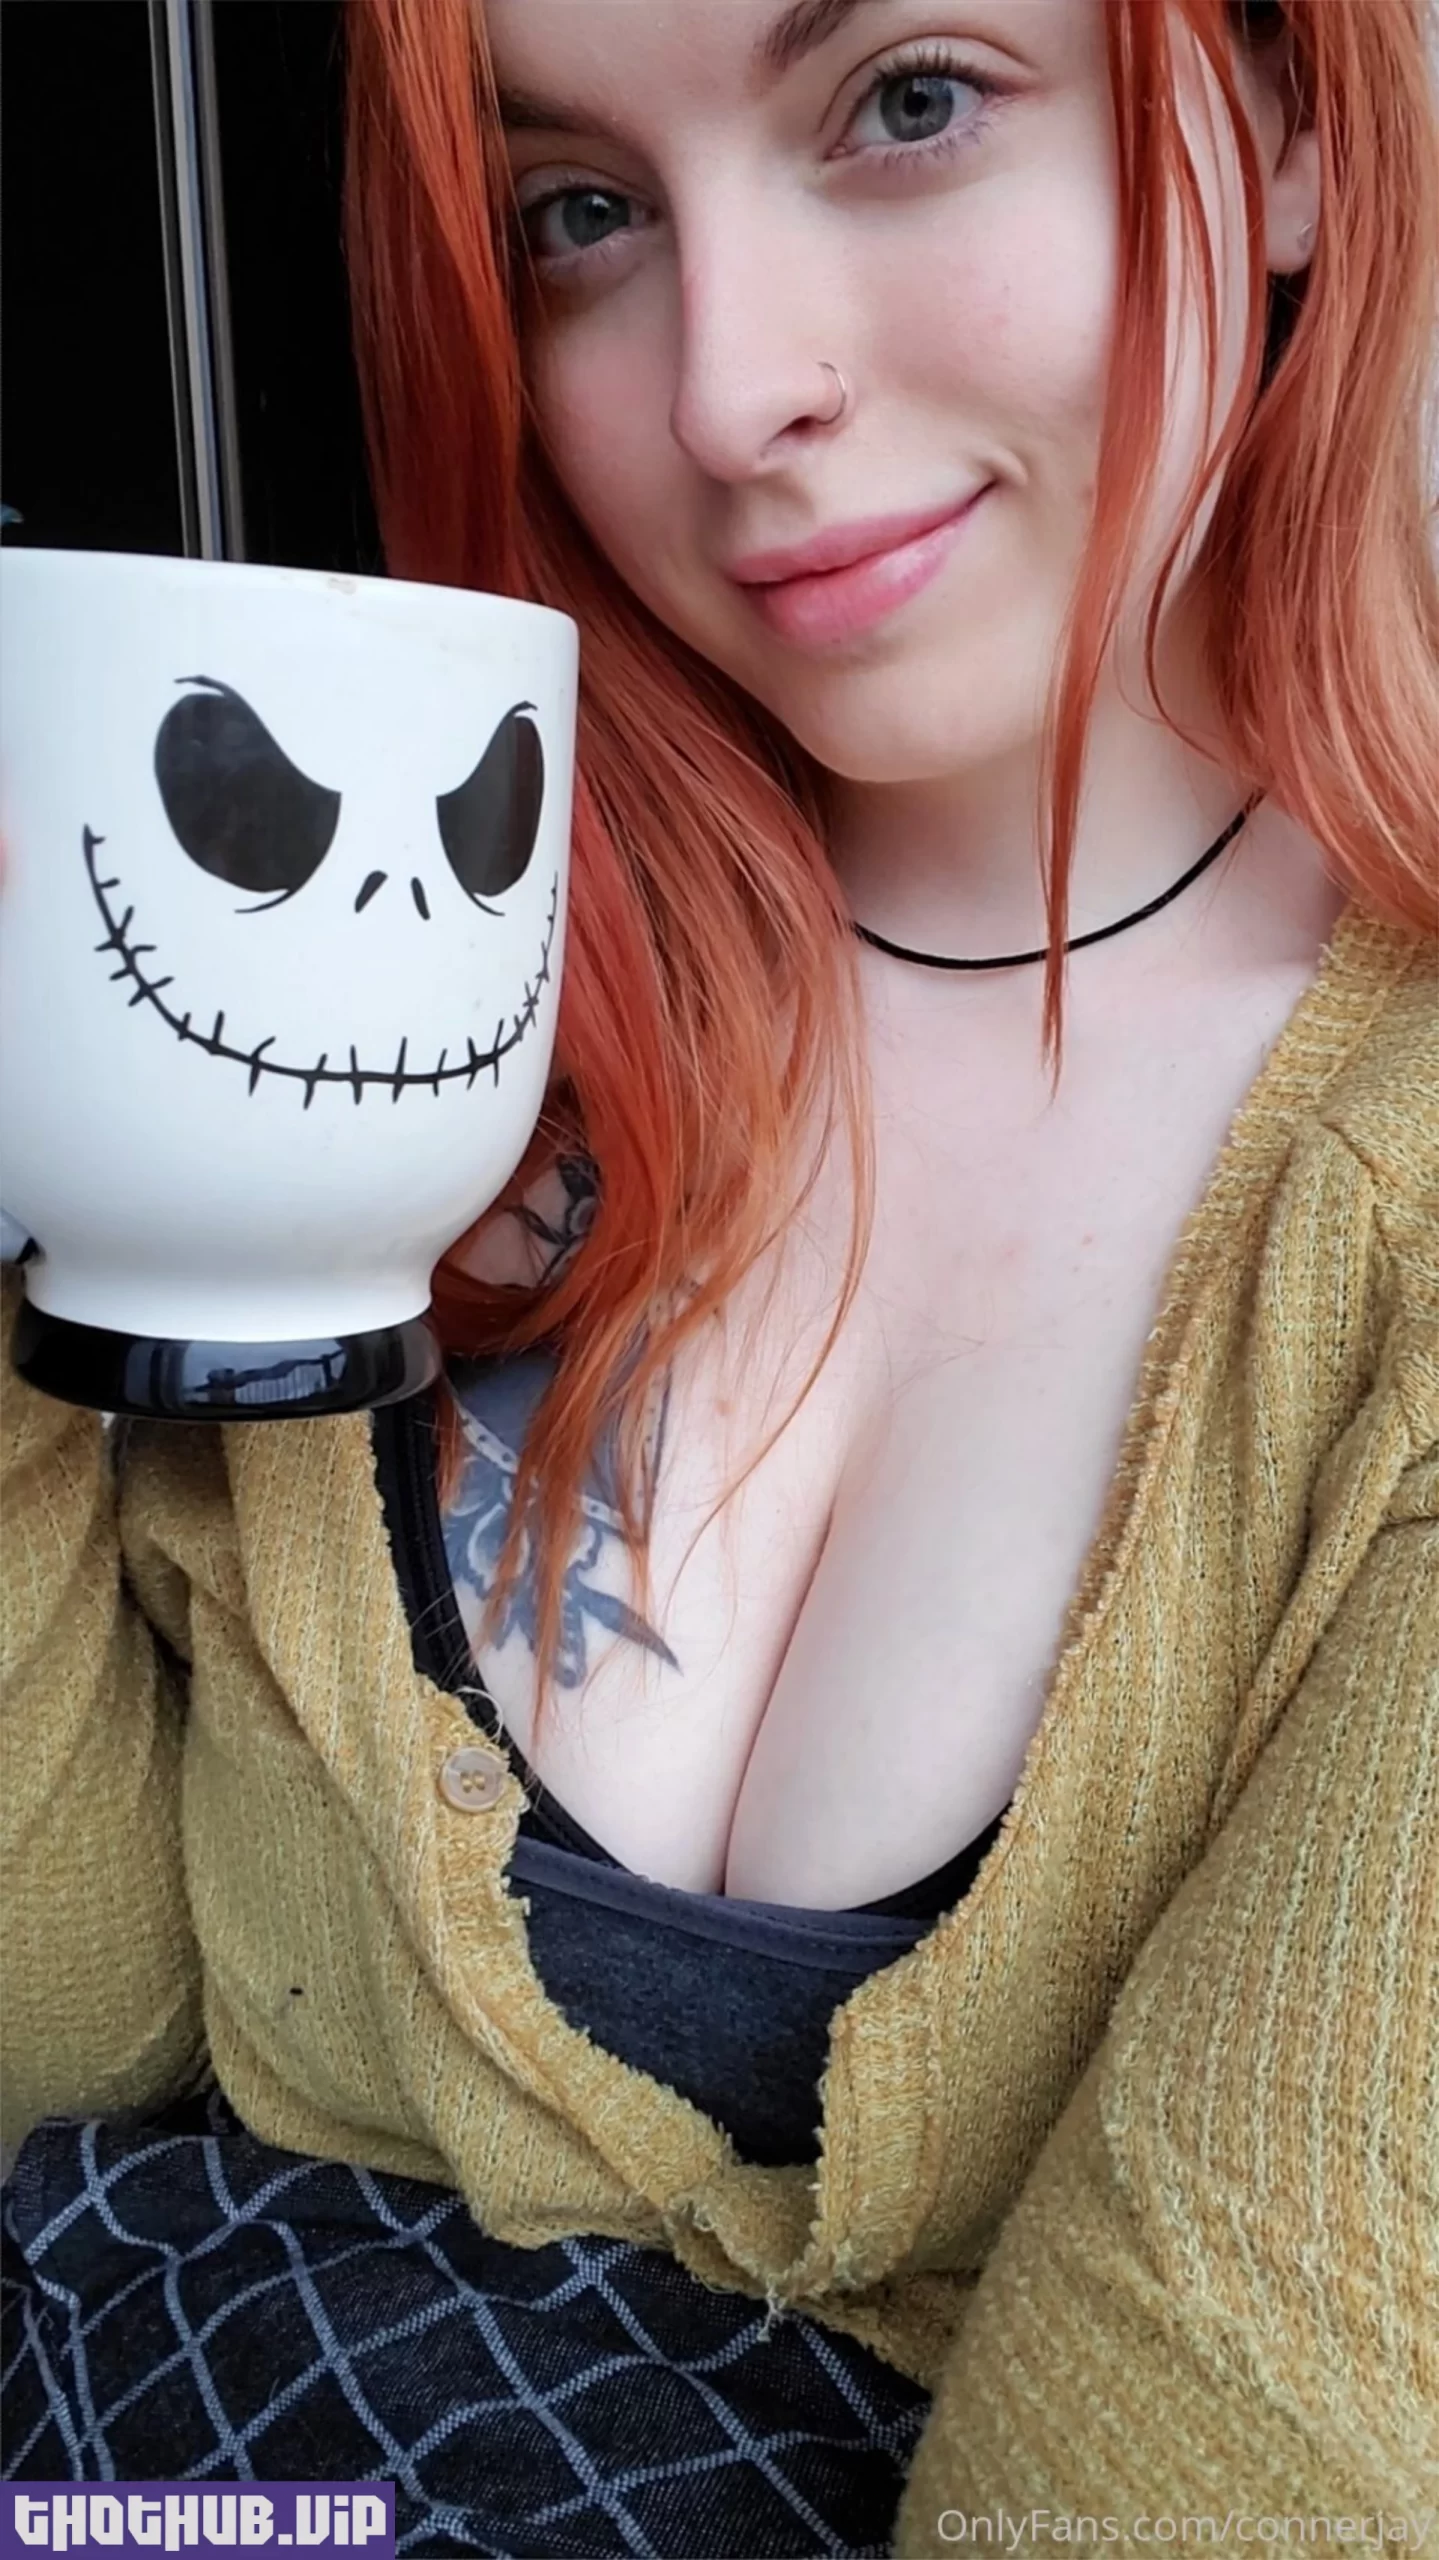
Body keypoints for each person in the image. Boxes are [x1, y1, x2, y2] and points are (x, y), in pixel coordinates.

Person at [3, 0, 1436, 2547]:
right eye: (578, 211)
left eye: (908, 99)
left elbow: (1233, 2423)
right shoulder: (401, 986)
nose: (720, 393)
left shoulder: (1393, 1227)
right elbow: (81, 2047)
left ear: (1297, 123)